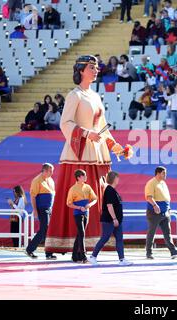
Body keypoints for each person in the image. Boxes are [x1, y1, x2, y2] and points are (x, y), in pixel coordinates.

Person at [44, 55, 132, 254]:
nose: (96, 70)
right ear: (81, 70)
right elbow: (65, 123)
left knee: (97, 198)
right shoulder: (75, 95)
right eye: (92, 67)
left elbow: (102, 129)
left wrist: (118, 148)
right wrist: (85, 133)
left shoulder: (95, 96)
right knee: (81, 197)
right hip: (80, 154)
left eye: (96, 67)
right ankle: (74, 243)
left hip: (97, 153)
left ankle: (93, 243)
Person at [89, 171, 133, 266]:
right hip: (110, 220)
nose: (118, 179)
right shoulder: (109, 190)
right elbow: (109, 206)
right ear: (114, 179)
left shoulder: (113, 190)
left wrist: (117, 219)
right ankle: (93, 257)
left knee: (119, 239)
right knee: (105, 238)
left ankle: (122, 259)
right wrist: (114, 219)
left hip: (116, 220)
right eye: (117, 177)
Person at [145, 167, 177, 259]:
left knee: (167, 233)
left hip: (165, 212)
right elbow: (149, 197)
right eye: (163, 173)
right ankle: (149, 253)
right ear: (158, 173)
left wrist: (168, 209)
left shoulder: (163, 183)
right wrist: (155, 205)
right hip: (154, 212)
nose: (165, 175)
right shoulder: (151, 183)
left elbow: (166, 198)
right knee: (151, 233)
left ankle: (173, 251)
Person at [26, 163, 57, 260]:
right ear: (45, 170)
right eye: (50, 171)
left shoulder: (51, 180)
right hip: (42, 208)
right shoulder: (36, 180)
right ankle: (30, 249)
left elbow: (52, 195)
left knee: (48, 230)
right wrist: (35, 210)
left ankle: (49, 253)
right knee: (44, 230)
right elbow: (33, 196)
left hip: (49, 208)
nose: (52, 173)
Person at [66, 170, 98, 263]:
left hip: (86, 212)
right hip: (77, 213)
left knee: (80, 234)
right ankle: (83, 256)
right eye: (84, 176)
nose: (86, 177)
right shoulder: (73, 189)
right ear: (79, 177)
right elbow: (69, 203)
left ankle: (75, 256)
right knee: (82, 233)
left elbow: (95, 199)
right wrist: (79, 207)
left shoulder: (87, 187)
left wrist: (90, 205)